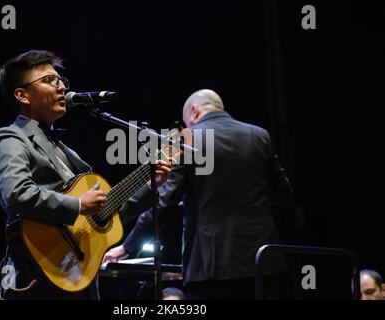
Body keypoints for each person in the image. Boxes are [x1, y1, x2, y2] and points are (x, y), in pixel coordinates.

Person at [0, 49, 171, 299]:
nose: (61, 86)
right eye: (49, 80)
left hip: (80, 276)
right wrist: (78, 204)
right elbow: (17, 194)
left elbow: (104, 218)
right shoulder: (9, 138)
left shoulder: (66, 152)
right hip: (38, 275)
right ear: (22, 95)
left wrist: (150, 185)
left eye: (61, 80)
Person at [103, 89, 294, 299]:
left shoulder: (187, 139)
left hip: (212, 263)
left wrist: (126, 247)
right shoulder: (259, 135)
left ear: (193, 111)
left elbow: (164, 202)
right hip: (264, 259)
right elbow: (285, 193)